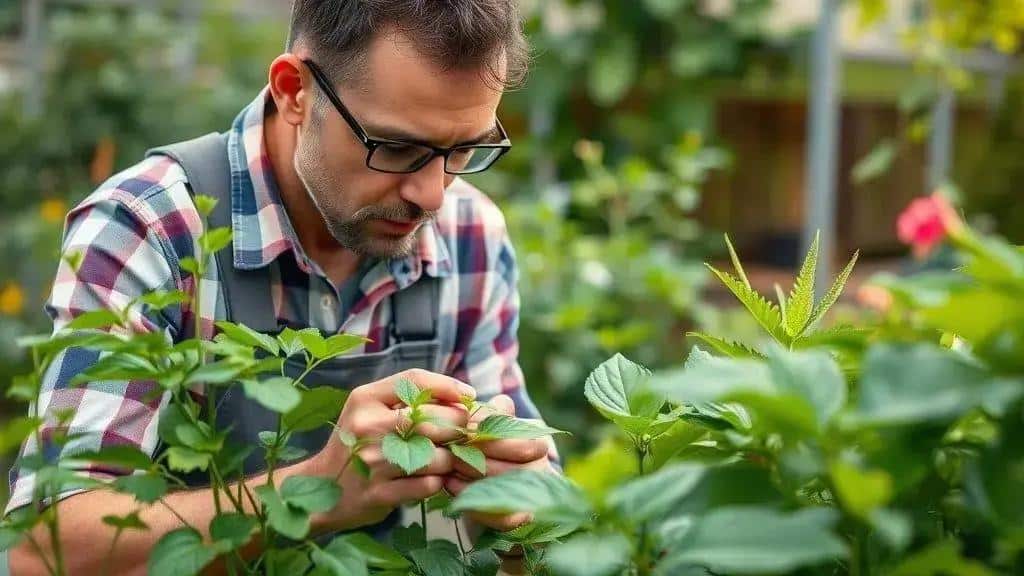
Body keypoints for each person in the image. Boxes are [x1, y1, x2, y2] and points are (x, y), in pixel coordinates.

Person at [6, 1, 557, 573]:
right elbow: (42, 550)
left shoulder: (471, 235)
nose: (434, 196)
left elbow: (536, 525)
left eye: (463, 150)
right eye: (395, 148)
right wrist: (315, 491)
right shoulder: (152, 230)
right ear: (294, 91)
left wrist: (519, 510)